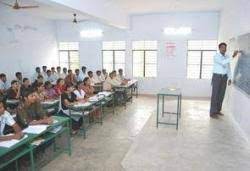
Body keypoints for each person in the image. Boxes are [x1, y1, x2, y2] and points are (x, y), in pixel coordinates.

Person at [210, 42, 239, 119]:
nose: (224, 49)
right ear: (219, 48)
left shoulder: (227, 56)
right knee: (215, 95)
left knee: (221, 95)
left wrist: (229, 78)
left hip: (224, 77)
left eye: (225, 47)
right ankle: (212, 113)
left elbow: (228, 68)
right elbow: (223, 63)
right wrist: (233, 56)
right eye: (222, 47)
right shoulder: (216, 56)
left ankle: (218, 110)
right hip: (217, 77)